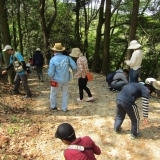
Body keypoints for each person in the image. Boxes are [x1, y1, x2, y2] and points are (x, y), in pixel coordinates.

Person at [48, 43, 77, 112]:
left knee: (53, 93)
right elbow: (75, 67)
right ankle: (64, 108)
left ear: (54, 51)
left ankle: (54, 107)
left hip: (56, 80)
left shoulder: (53, 59)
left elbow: (51, 73)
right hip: (66, 79)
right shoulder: (68, 58)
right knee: (65, 94)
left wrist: (51, 76)